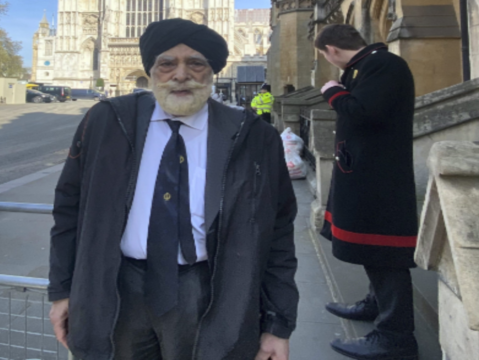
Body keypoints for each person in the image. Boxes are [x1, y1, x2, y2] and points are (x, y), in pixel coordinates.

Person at [48, 18, 298, 360]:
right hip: (117, 291)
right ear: (152, 71)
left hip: (209, 293)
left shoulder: (254, 137)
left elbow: (279, 232)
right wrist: (62, 290)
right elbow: (68, 209)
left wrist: (277, 324)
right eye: (167, 64)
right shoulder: (106, 121)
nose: (180, 75)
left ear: (212, 72)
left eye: (196, 63)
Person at [315, 24, 418, 360]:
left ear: (330, 50)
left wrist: (332, 91)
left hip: (380, 181)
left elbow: (363, 111)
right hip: (364, 175)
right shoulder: (367, 65)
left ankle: (395, 336)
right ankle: (376, 304)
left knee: (385, 255)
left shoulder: (384, 64)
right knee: (370, 249)